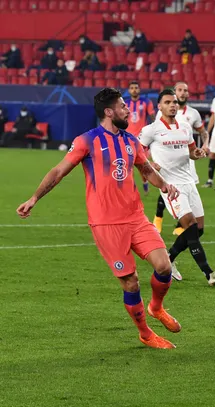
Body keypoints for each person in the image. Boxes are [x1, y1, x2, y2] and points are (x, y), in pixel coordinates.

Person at [16, 88, 182, 349]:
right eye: (123, 106)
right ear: (109, 112)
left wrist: (164, 185)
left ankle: (156, 307)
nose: (128, 110)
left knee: (163, 266)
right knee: (130, 281)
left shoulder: (131, 141)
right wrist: (34, 198)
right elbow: (59, 171)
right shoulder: (86, 141)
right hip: (106, 223)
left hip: (135, 217)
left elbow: (145, 168)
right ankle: (146, 333)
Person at [139, 89, 215, 287]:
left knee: (199, 229)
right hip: (170, 186)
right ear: (159, 106)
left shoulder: (186, 127)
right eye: (168, 102)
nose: (172, 105)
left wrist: (197, 153)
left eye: (174, 102)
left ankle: (168, 258)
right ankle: (209, 274)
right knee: (189, 225)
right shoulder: (151, 130)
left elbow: (190, 152)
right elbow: (137, 153)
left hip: (189, 182)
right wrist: (149, 166)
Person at [152, 81, 210, 238]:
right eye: (180, 90)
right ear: (175, 92)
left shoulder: (193, 114)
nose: (183, 93)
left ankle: (182, 224)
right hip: (167, 162)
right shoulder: (162, 113)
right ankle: (158, 218)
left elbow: (203, 132)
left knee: (187, 193)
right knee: (168, 188)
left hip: (187, 161)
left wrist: (205, 145)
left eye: (186, 90)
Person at [125, 81, 156, 194]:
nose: (134, 90)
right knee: (128, 164)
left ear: (139, 89)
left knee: (142, 164)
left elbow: (153, 118)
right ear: (129, 90)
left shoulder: (146, 102)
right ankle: (130, 188)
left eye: (136, 88)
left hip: (142, 139)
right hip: (128, 138)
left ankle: (145, 182)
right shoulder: (125, 103)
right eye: (132, 88)